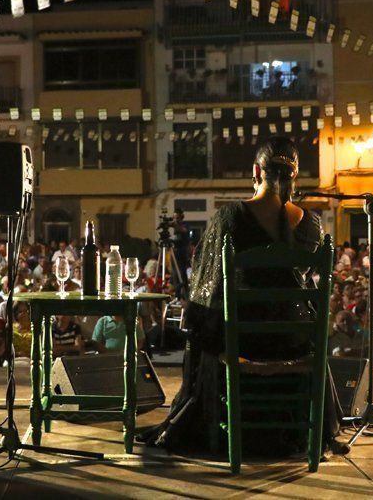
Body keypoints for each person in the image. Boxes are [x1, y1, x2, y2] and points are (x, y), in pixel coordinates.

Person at [141, 136, 349, 457]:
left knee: (209, 335)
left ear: (256, 171)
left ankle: (222, 427)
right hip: (292, 340)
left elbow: (205, 282)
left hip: (244, 341)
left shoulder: (230, 218)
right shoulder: (312, 225)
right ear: (294, 176)